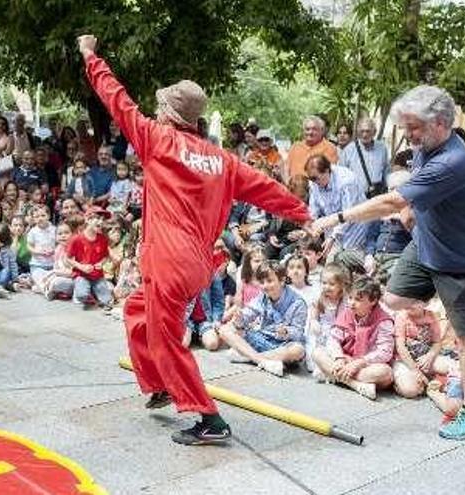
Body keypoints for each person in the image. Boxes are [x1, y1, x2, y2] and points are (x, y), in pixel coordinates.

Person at [78, 34, 311, 445]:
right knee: (137, 312)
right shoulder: (222, 160)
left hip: (169, 259)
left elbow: (116, 99)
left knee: (166, 339)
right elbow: (266, 188)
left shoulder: (157, 138)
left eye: (159, 104)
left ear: (168, 112)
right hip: (195, 262)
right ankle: (159, 385)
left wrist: (90, 55)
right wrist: (304, 214)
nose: (152, 109)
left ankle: (208, 419)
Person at [312, 85, 465, 439]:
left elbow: (390, 202)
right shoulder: (426, 146)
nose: (409, 136)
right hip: (427, 244)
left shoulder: (452, 161)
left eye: (414, 128)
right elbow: (414, 193)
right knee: (392, 299)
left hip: (463, 259)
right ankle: (429, 318)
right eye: (406, 127)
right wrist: (413, 210)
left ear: (441, 123)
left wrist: (335, 218)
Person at [217, 261, 308, 377]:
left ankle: (247, 357)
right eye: (262, 282)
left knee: (298, 350)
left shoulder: (298, 303)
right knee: (225, 330)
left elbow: (299, 333)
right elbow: (247, 315)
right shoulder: (262, 297)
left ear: (282, 280)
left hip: (282, 345)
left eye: (270, 281)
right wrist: (240, 318)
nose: (265, 286)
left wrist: (286, 331)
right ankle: (262, 361)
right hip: (262, 338)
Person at [285, 116, 338, 183]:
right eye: (307, 129)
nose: (310, 132)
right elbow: (286, 169)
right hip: (294, 190)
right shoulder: (295, 147)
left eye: (314, 129)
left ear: (321, 131)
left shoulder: (330, 148)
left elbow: (328, 174)